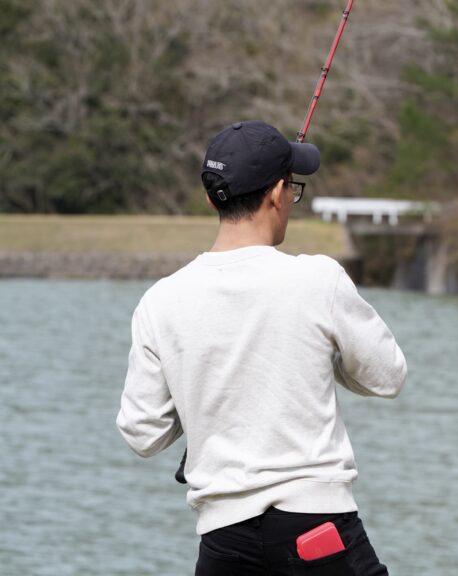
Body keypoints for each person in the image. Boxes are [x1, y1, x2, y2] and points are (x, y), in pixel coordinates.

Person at [116, 120, 407, 576]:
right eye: (293, 188)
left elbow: (142, 433)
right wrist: (319, 353)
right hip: (319, 532)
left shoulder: (159, 302)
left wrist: (199, 396)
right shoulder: (318, 279)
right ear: (277, 193)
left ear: (213, 197)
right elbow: (387, 376)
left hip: (223, 546)